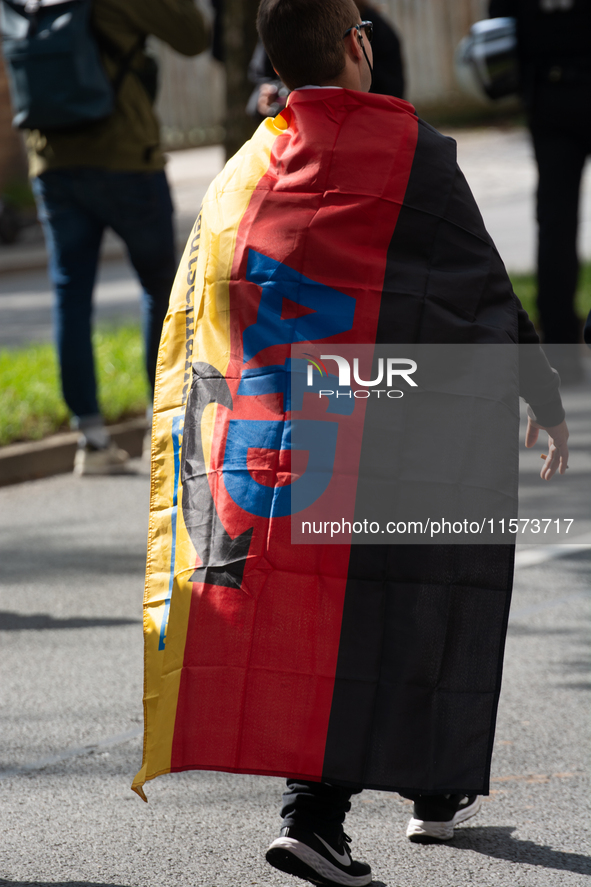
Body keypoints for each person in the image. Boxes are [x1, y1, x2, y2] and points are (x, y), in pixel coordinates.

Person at [133, 2, 569, 885]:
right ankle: (326, 817)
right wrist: (540, 391)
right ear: (357, 45)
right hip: (398, 418)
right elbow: (477, 282)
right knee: (420, 589)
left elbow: (204, 305)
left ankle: (410, 796)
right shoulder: (414, 153)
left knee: (337, 618)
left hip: (287, 442)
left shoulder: (245, 169)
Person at [28, 0, 208, 475]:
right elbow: (194, 36)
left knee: (71, 296)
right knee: (159, 289)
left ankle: (90, 442)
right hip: (127, 160)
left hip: (52, 162)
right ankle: (162, 429)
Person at [489, 0, 591, 381]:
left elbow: (497, 27)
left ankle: (562, 348)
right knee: (555, 226)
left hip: (549, 94)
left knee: (555, 225)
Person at [247, 0, 404, 118]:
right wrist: (262, 100)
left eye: (366, 32)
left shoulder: (379, 32)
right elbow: (261, 78)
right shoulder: (281, 18)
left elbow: (390, 94)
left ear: (355, 41)